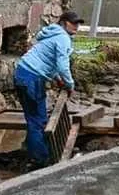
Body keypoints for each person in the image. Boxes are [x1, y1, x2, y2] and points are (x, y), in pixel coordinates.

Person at [13, 11, 82, 167]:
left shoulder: (52, 34)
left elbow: (48, 60)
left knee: (33, 117)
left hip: (22, 73)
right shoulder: (63, 38)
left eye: (78, 23)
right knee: (37, 120)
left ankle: (33, 149)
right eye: (73, 23)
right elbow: (63, 66)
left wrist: (57, 79)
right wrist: (70, 84)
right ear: (64, 23)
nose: (77, 26)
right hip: (32, 78)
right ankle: (41, 160)